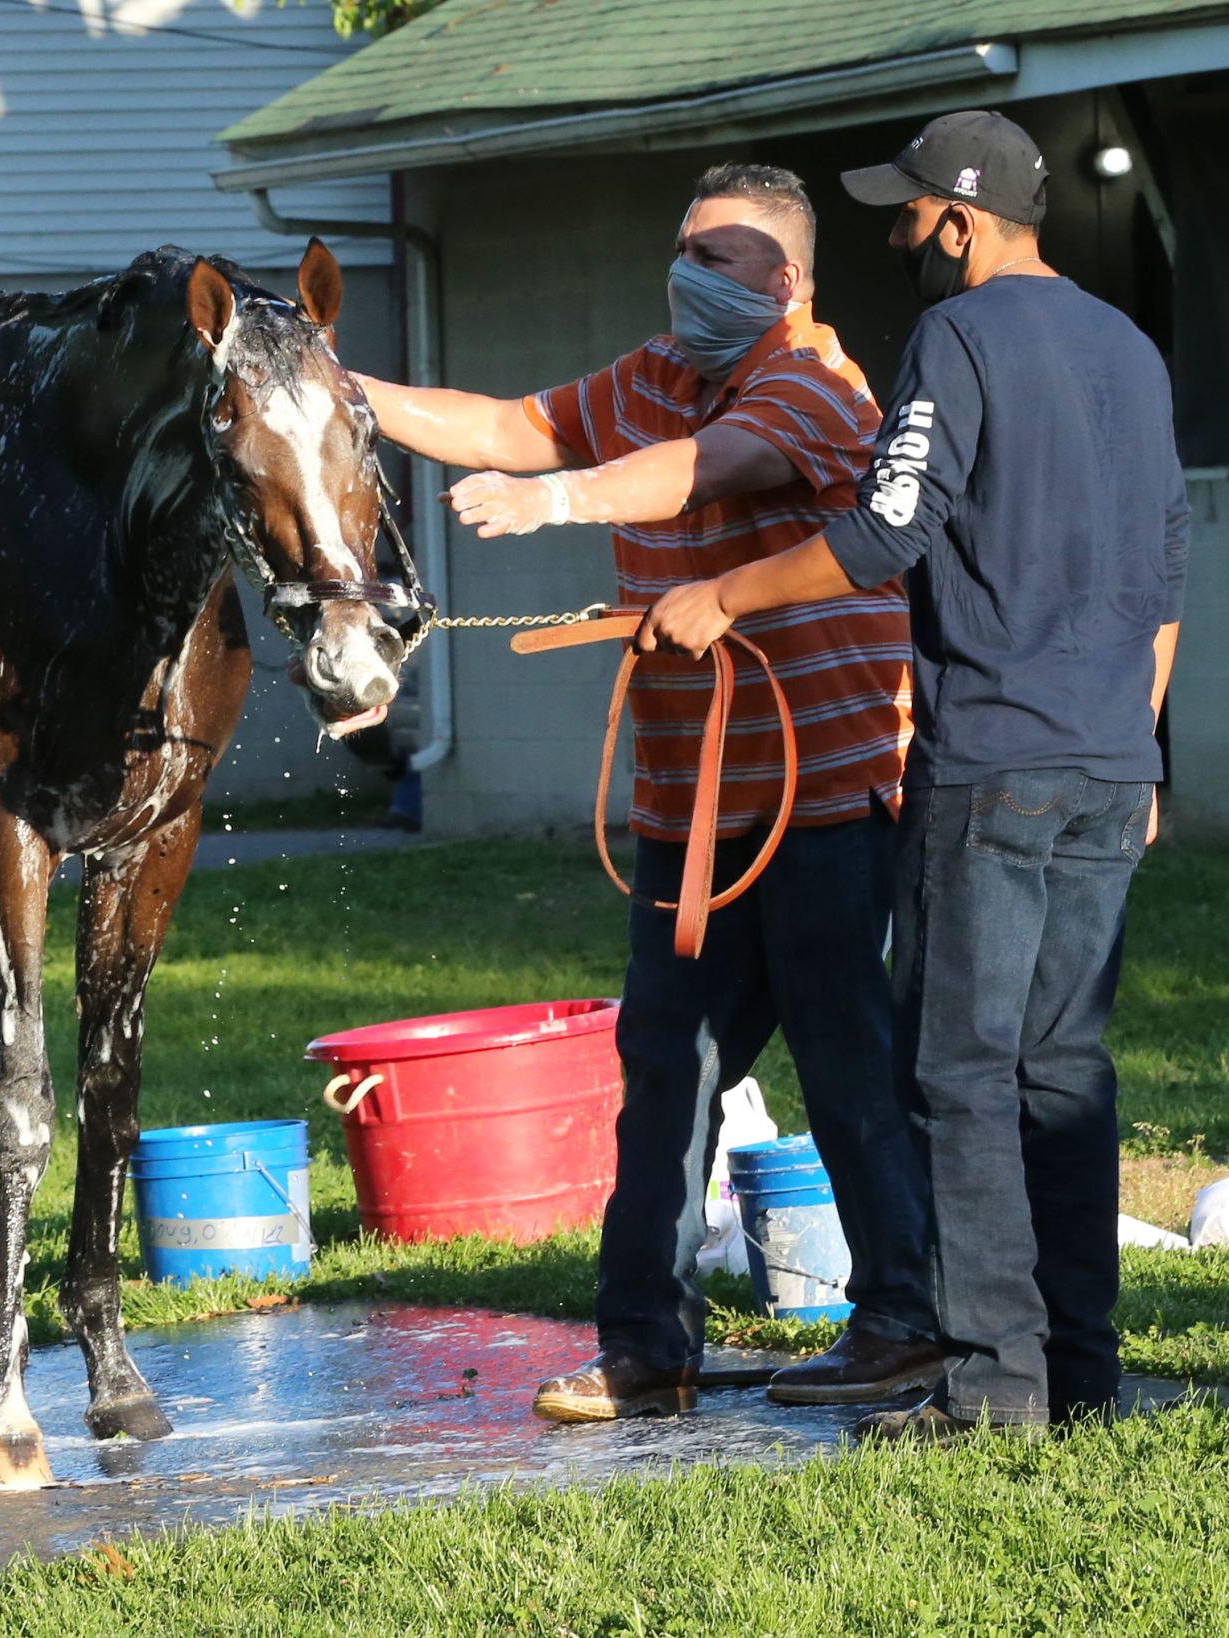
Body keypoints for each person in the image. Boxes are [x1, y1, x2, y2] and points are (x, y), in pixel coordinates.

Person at [356, 163, 942, 1420]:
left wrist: (552, 502)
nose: (683, 276)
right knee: (661, 1074)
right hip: (685, 813)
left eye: (713, 259)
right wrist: (338, 390)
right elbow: (507, 424)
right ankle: (643, 1351)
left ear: (782, 280)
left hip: (828, 796)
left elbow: (701, 467)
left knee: (848, 1068)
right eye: (678, 251)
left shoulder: (815, 383)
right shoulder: (647, 373)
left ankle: (902, 1322)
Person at [641, 112, 1186, 1439]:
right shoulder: (1129, 345)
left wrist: (725, 590)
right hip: (1111, 765)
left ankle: (991, 1383)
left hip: (990, 763)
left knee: (957, 1072)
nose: (898, 235)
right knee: (1064, 1071)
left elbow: (888, 531)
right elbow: (1165, 573)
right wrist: (1141, 742)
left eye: (908, 214)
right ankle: (1082, 1372)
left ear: (960, 216)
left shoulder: (960, 337)